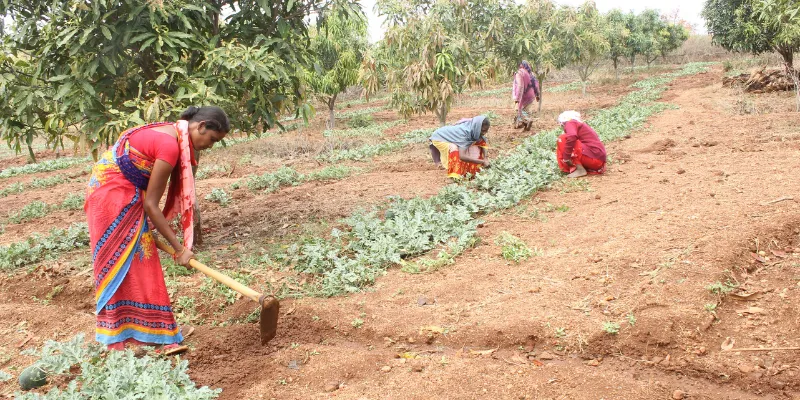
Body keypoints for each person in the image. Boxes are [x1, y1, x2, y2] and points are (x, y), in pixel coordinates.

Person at [85, 106, 229, 351]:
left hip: (120, 192)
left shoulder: (171, 134)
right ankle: (151, 337)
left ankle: (148, 333)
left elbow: (149, 198)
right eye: (212, 139)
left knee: (136, 262)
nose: (210, 145)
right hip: (112, 197)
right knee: (140, 261)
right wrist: (179, 248)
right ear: (201, 126)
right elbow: (152, 205)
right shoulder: (170, 145)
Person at [556, 110, 606, 178]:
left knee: (563, 138)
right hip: (598, 161)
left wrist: (566, 157)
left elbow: (572, 136)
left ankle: (579, 169)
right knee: (569, 139)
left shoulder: (570, 122)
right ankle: (581, 167)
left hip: (594, 159)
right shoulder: (578, 125)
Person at [512, 60, 540, 126]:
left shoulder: (520, 73)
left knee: (520, 110)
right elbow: (536, 85)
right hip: (531, 95)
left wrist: (517, 100)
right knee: (525, 110)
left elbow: (520, 86)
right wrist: (537, 95)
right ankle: (522, 122)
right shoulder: (530, 73)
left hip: (523, 96)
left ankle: (527, 120)